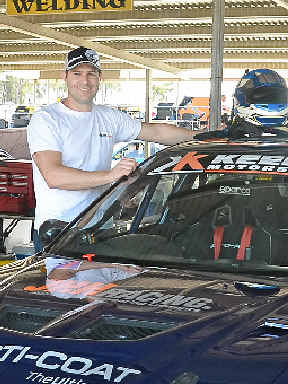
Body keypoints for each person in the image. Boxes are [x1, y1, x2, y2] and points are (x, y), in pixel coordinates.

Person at [27, 46, 194, 251]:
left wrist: (203, 135)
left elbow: (156, 132)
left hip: (99, 228)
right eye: (77, 73)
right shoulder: (47, 119)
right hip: (58, 231)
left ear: (100, 78)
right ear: (65, 76)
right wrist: (111, 176)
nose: (85, 81)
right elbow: (54, 176)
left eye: (91, 74)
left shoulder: (108, 117)